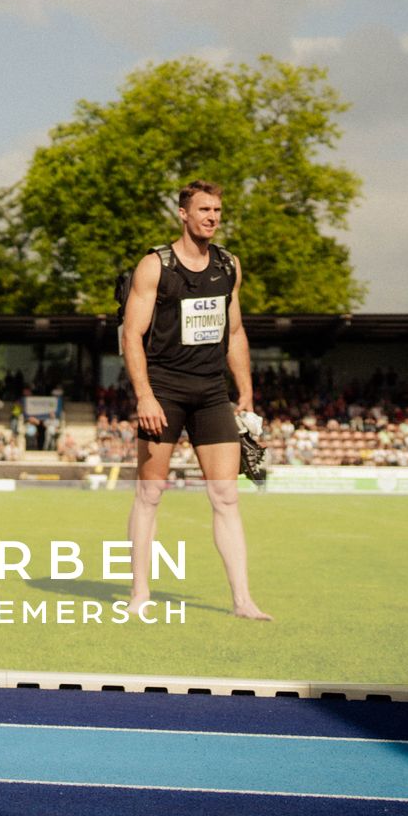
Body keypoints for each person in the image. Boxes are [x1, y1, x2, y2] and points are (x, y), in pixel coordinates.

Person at [119, 180, 270, 621]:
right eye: (204, 209)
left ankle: (243, 601)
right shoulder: (155, 265)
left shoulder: (228, 265)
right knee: (150, 493)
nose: (213, 217)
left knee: (226, 496)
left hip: (211, 393)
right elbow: (131, 334)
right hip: (163, 391)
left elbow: (235, 332)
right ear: (183, 214)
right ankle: (140, 594)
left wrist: (245, 392)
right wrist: (144, 396)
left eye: (218, 210)